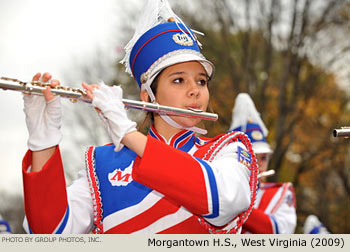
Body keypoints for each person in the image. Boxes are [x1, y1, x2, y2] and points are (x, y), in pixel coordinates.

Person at [21, 0, 257, 234]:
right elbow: (49, 234)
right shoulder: (103, 164)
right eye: (178, 80)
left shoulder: (227, 151)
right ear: (148, 96)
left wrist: (127, 134)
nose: (195, 90)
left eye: (201, 81)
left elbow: (224, 200)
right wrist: (43, 140)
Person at [229, 93, 296, 234]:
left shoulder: (280, 193)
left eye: (264, 158)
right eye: (252, 156)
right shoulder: (219, 189)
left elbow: (278, 232)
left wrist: (236, 205)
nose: (258, 163)